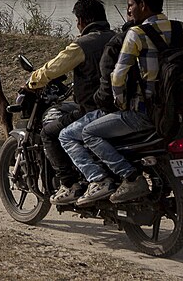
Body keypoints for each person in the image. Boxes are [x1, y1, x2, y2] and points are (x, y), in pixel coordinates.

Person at [75, 0, 183, 206]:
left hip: (144, 114)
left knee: (89, 133)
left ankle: (129, 177)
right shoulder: (181, 29)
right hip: (176, 112)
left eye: (131, 5)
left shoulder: (137, 33)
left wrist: (120, 104)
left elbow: (117, 76)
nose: (128, 10)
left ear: (143, 5)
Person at [25, 0, 115, 205]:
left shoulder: (82, 45)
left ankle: (70, 184)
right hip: (117, 107)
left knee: (49, 132)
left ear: (82, 21)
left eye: (77, 21)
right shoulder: (118, 39)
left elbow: (53, 68)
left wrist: (32, 81)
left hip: (93, 109)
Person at [56, 17, 138, 205]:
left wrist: (100, 101)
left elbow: (112, 84)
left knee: (69, 135)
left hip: (123, 112)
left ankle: (98, 179)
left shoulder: (116, 47)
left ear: (80, 21)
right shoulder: (157, 45)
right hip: (157, 113)